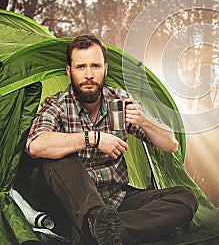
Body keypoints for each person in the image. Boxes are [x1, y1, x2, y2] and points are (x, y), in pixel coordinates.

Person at [25, 35, 198, 245]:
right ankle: (97, 224)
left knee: (185, 197)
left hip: (115, 199)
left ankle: (103, 233)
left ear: (105, 69)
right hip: (69, 205)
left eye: (95, 66)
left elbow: (171, 144)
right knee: (57, 155)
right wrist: (93, 139)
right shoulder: (57, 105)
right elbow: (36, 145)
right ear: (69, 71)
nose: (89, 74)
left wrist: (143, 121)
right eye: (81, 67)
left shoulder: (119, 101)